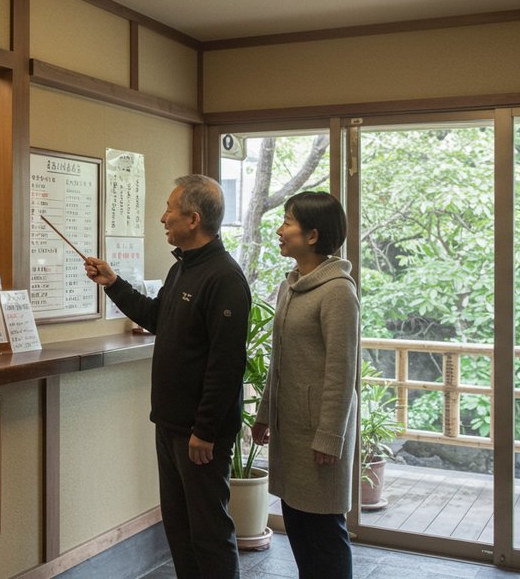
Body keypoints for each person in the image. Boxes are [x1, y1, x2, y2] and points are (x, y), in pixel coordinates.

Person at [84, 174, 251, 578]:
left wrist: (205, 430)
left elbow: (227, 364)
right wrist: (113, 283)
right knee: (179, 528)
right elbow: (157, 317)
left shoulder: (225, 277)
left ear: (193, 219)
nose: (163, 218)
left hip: (199, 433)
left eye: (169, 210)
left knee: (209, 532)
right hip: (170, 424)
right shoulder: (182, 269)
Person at [251, 191, 359, 579]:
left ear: (312, 235)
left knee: (325, 532)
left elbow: (342, 372)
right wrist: (265, 415)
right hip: (292, 429)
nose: (280, 231)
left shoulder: (338, 291)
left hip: (319, 433)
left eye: (288, 223)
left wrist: (330, 436)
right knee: (298, 523)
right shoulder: (291, 285)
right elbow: (280, 361)